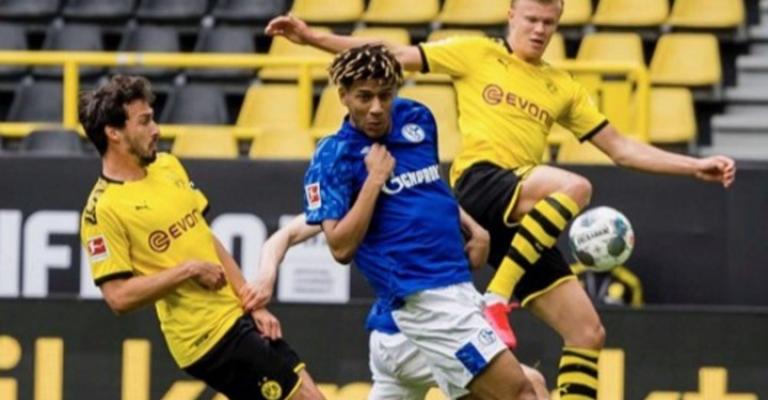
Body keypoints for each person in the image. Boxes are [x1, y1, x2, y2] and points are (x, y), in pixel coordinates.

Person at [265, 1, 737, 398]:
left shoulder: (562, 87)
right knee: (574, 187)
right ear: (511, 15)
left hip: (523, 219)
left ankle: (498, 294)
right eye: (531, 19)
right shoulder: (477, 53)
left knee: (587, 332)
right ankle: (496, 296)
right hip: (482, 184)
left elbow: (623, 149)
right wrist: (312, 38)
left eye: (549, 22)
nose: (539, 30)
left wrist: (693, 166)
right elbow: (390, 55)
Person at [300, 43, 536, 399]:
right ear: (343, 96)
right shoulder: (334, 156)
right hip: (425, 301)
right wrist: (374, 181)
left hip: (452, 288)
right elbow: (340, 247)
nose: (377, 108)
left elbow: (427, 187)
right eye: (364, 97)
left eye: (385, 95)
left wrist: (473, 228)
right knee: (521, 392)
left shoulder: (417, 118)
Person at [78, 75, 325, 400]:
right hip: (207, 338)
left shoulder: (168, 166)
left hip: (235, 314)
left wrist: (252, 305)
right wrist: (188, 270)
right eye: (145, 121)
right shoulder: (102, 210)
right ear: (114, 133)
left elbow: (206, 238)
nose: (156, 129)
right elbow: (118, 297)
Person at [242, 214, 552, 399]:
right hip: (417, 337)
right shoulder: (356, 199)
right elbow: (284, 235)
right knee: (530, 384)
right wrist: (266, 277)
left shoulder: (422, 186)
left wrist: (476, 230)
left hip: (389, 346)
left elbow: (470, 231)